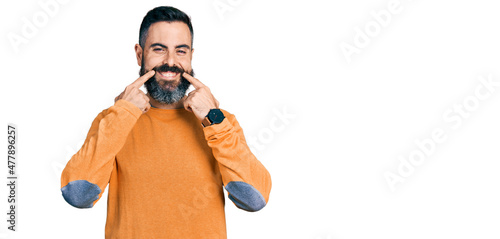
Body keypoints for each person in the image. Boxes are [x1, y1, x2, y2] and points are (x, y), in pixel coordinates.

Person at [60, 6, 272, 238]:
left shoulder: (220, 122)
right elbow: (78, 195)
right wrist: (123, 115)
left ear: (191, 56)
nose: (170, 62)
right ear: (140, 55)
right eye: (159, 49)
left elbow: (254, 200)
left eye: (181, 51)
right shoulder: (114, 120)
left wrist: (213, 119)